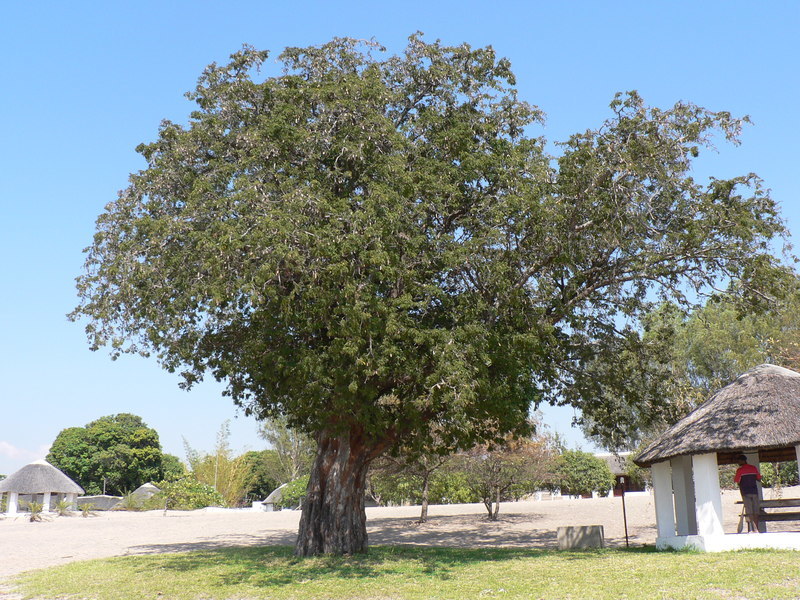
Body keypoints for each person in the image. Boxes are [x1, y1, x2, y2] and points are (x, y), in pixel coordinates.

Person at [734, 454, 762, 533]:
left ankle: (753, 529)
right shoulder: (753, 468)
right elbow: (759, 479)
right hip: (755, 492)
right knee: (756, 511)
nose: (738, 462)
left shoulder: (740, 470)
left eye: (739, 461)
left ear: (742, 460)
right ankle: (757, 529)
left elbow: (737, 481)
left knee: (749, 511)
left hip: (745, 493)